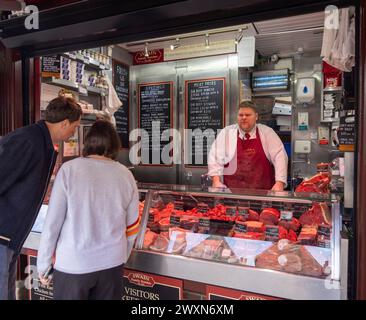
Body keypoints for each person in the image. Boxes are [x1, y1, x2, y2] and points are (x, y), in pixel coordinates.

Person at [37, 120, 140, 300]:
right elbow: (132, 227)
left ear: (88, 142)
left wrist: (43, 265)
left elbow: (52, 224)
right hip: (112, 266)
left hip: (74, 264)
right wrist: (122, 256)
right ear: (115, 145)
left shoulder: (69, 170)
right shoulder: (126, 174)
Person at [0, 96, 82, 300]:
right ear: (64, 123)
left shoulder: (41, 141)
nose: (74, 132)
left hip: (10, 237)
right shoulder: (27, 140)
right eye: (75, 126)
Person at [208, 101, 288, 191]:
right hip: (230, 193)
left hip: (263, 194)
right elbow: (215, 157)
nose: (244, 117)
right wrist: (216, 180)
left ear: (256, 116)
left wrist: (279, 183)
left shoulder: (267, 133)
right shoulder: (227, 133)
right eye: (241, 115)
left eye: (248, 115)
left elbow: (280, 157)